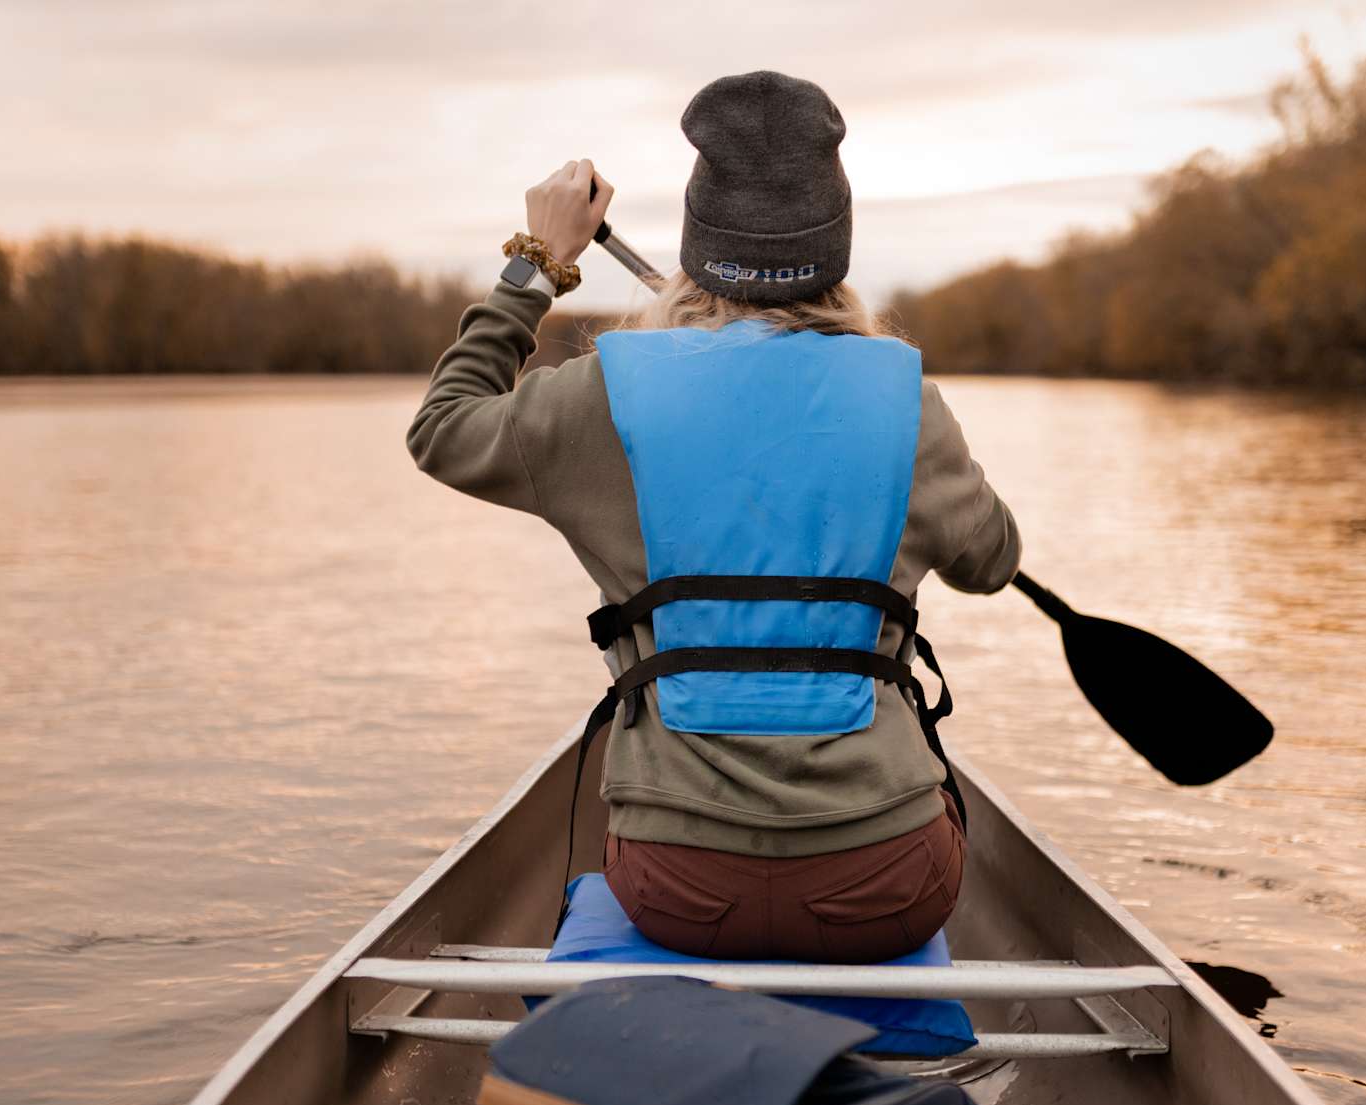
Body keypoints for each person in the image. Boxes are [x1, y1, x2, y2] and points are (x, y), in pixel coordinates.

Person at [407, 70, 1019, 963]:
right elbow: (994, 559)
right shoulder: (905, 399)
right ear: (834, 248)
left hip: (679, 888)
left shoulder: (604, 397)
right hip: (888, 884)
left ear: (701, 245)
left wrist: (535, 265)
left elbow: (442, 427)